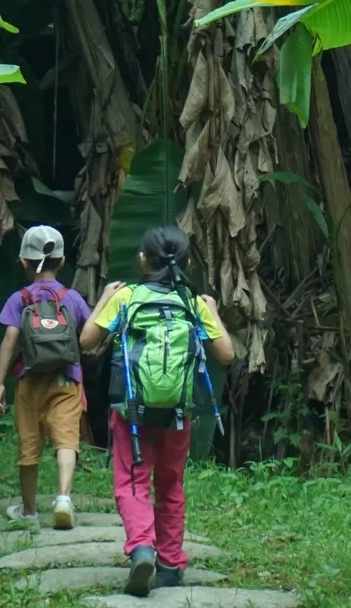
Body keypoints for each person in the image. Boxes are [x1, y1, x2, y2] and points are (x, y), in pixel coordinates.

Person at [79, 225, 234, 597]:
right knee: (171, 485)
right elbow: (226, 355)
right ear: (187, 262)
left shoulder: (127, 296)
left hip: (131, 414)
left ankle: (142, 549)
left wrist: (103, 299)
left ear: (143, 260)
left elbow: (87, 341)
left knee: (132, 482)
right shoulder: (192, 302)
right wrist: (211, 309)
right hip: (179, 413)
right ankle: (170, 563)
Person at [0, 225, 91, 529]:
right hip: (66, 379)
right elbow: (88, 336)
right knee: (65, 438)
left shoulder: (19, 298)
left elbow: (10, 338)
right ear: (61, 262)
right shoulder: (72, 297)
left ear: (24, 262)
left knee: (29, 443)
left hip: (30, 380)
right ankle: (63, 497)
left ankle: (29, 510)